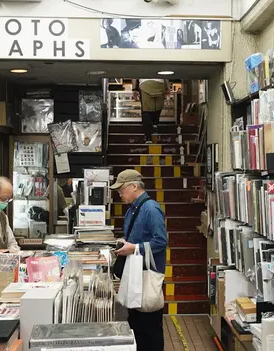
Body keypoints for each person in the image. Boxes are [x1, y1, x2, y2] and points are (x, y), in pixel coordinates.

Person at [111, 169, 167, 351]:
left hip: (147, 273)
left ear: (134, 186)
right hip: (135, 272)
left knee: (150, 327)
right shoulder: (133, 209)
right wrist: (124, 242)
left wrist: (134, 247)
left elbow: (161, 241)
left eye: (122, 189)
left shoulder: (151, 209)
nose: (119, 194)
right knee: (137, 325)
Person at [132, 79, 170, 144]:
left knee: (146, 110)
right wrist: (167, 86)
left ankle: (148, 137)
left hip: (145, 84)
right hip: (160, 84)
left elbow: (134, 77)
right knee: (158, 106)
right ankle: (155, 124)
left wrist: (134, 89)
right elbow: (166, 76)